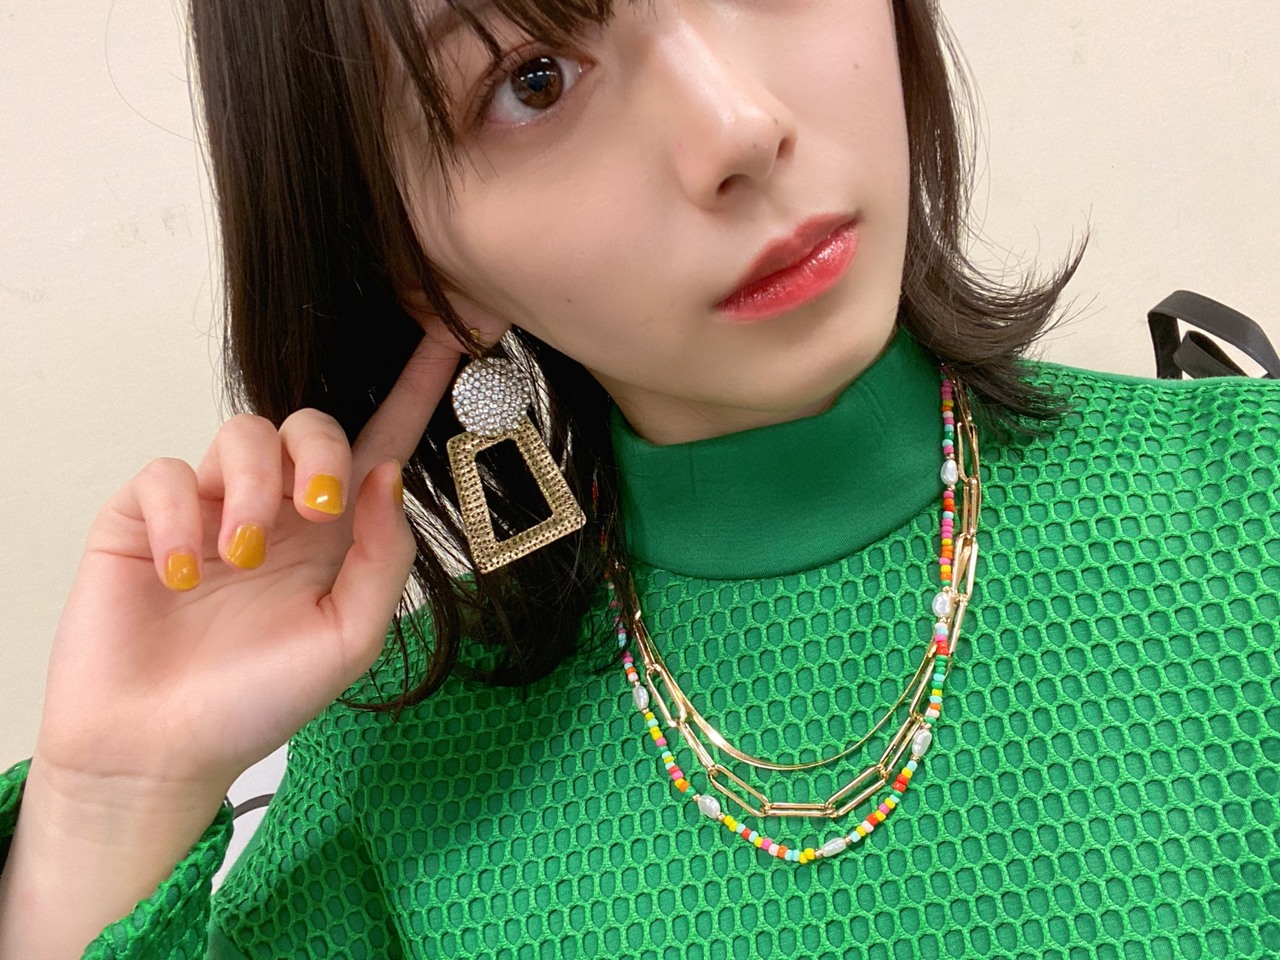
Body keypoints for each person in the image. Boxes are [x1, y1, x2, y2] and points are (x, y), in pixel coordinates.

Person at [1, 0, 1277, 957]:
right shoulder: (406, 763)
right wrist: (105, 810)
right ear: (420, 270)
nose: (737, 126)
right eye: (532, 78)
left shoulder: (1250, 513)